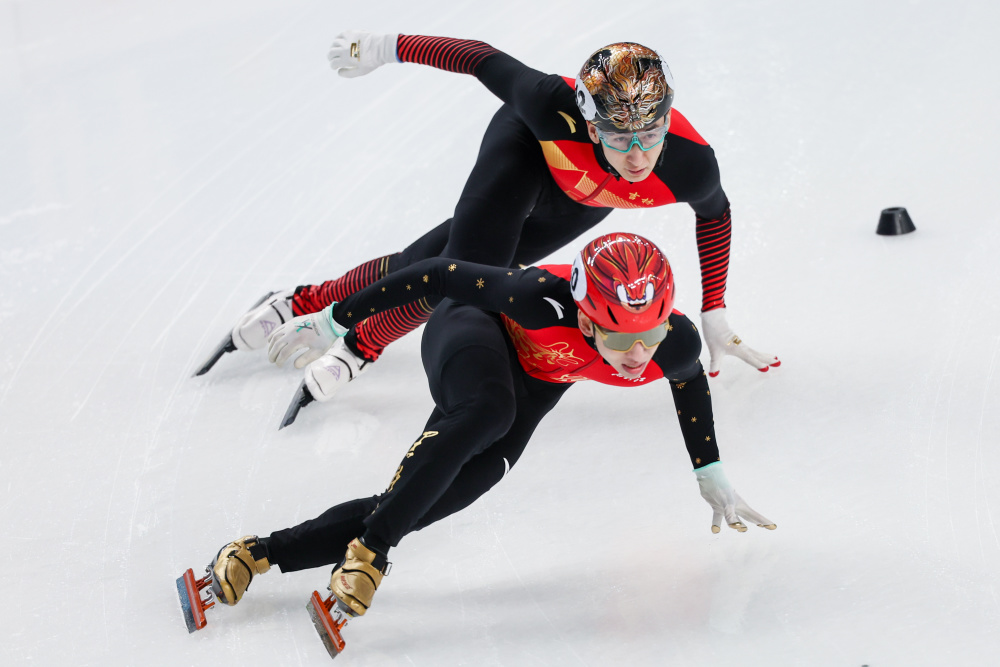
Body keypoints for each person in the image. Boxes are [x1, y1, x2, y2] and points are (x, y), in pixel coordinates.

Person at [195, 233, 775, 656]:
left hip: (534, 384)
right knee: (487, 412)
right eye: (621, 338)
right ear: (587, 316)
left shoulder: (672, 340)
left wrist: (710, 470)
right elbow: (440, 276)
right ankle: (372, 550)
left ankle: (256, 553)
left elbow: (689, 383)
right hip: (471, 326)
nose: (637, 356)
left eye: (648, 336)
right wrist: (336, 319)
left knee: (447, 492)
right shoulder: (537, 296)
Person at [211, 31, 779, 392]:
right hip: (525, 156)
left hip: (580, 203)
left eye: (651, 134)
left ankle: (315, 307)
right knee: (459, 274)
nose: (637, 156)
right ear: (587, 120)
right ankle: (352, 335)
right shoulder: (547, 103)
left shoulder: (690, 163)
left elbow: (715, 216)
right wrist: (385, 46)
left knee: (427, 262)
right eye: (617, 136)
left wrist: (715, 309)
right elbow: (480, 58)